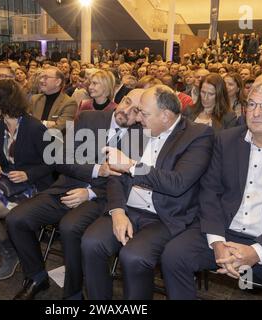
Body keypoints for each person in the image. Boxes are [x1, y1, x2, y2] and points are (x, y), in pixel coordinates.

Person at [161, 79, 262, 300]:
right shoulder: (226, 141)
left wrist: (256, 252)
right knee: (173, 256)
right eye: (252, 104)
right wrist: (217, 242)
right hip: (225, 232)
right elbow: (209, 193)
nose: (256, 112)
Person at [6, 89, 145, 300]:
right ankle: (36, 276)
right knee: (16, 219)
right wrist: (97, 170)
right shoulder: (90, 118)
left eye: (135, 110)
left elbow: (129, 182)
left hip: (102, 197)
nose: (125, 111)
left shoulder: (142, 134)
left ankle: (73, 293)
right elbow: (62, 159)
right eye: (126, 102)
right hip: (67, 186)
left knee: (70, 227)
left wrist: (89, 192)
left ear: (142, 115)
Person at [81, 85, 214, 299]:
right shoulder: (138, 131)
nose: (138, 117)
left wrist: (132, 166)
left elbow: (177, 183)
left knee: (133, 256)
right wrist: (117, 212)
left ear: (166, 116)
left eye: (144, 113)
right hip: (127, 208)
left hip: (164, 216)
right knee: (91, 243)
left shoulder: (197, 135)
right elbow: (116, 177)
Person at [0, 79, 54, 297]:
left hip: (32, 184)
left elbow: (52, 162)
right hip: (9, 180)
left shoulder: (34, 127)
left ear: (2, 101)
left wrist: (28, 173)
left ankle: (5, 253)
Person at [28, 67, 77, 132]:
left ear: (58, 82)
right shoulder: (34, 99)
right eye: (41, 77)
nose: (41, 80)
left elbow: (59, 128)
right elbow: (26, 123)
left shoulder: (69, 103)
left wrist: (38, 123)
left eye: (46, 78)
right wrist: (47, 123)